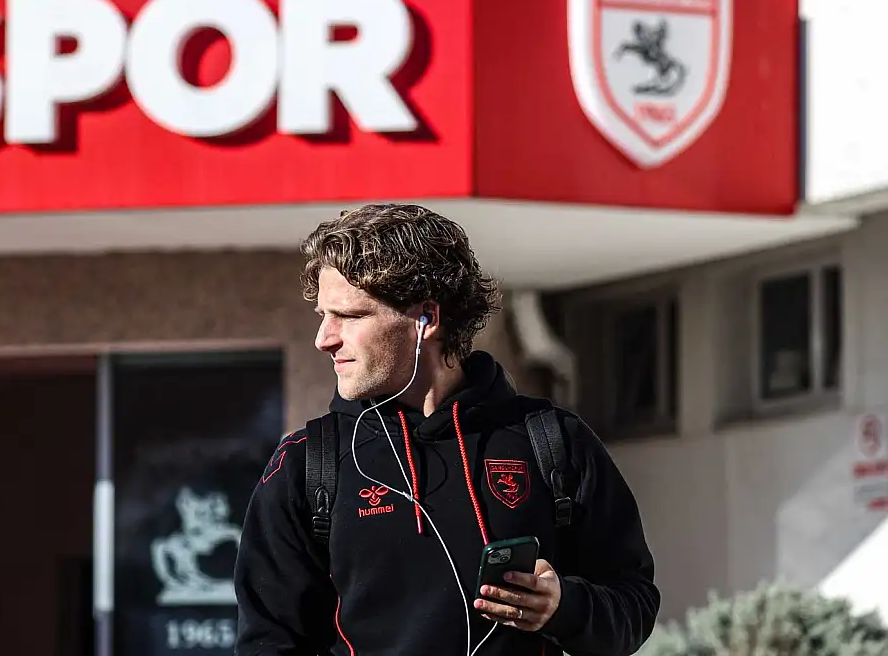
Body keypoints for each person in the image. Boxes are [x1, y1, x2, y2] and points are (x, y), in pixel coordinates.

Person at [233, 203, 660, 656]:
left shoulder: (553, 441)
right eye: (323, 314)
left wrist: (563, 608)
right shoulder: (305, 464)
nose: (324, 338)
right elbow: (267, 645)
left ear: (427, 319)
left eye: (351, 316)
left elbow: (633, 606)